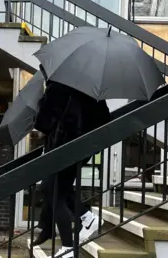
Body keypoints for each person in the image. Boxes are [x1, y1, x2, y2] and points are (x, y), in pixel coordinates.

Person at [32, 80, 111, 257]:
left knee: (53, 190)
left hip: (64, 146)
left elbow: (45, 120)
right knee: (55, 188)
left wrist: (41, 105)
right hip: (82, 147)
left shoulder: (58, 82)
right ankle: (87, 218)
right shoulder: (92, 86)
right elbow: (104, 117)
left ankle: (68, 247)